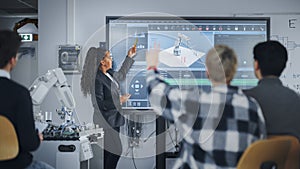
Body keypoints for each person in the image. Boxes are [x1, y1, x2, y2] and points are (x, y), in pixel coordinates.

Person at [146, 44, 266, 169]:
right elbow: (259, 151)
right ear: (233, 71)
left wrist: (152, 66)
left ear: (207, 71)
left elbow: (157, 93)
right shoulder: (252, 107)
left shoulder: (193, 103)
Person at [0, 30, 54, 169]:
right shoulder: (19, 94)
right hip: (15, 164)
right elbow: (29, 143)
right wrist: (37, 137)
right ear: (12, 60)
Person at [81, 46, 136, 169]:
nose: (112, 59)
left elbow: (121, 76)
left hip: (114, 120)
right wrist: (119, 100)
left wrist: (129, 57)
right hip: (105, 122)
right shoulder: (97, 79)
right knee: (116, 150)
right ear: (102, 61)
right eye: (110, 57)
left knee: (109, 152)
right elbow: (99, 104)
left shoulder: (109, 73)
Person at [243, 40, 300, 140]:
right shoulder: (296, 99)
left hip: (256, 155)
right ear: (284, 66)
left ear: (256, 65)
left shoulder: (243, 100)